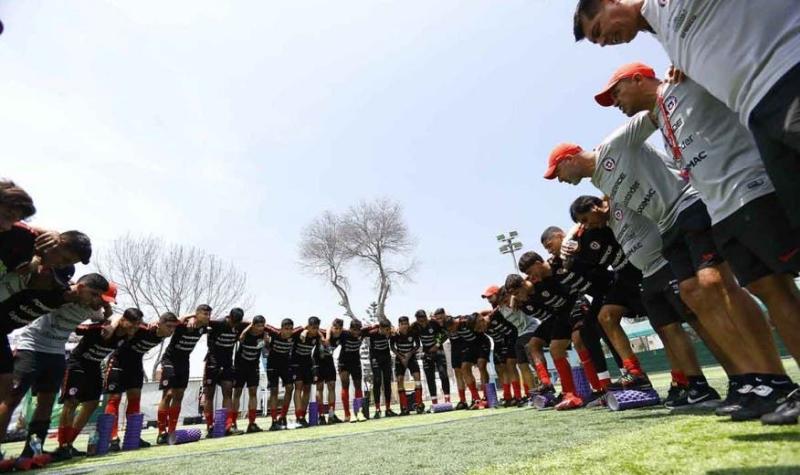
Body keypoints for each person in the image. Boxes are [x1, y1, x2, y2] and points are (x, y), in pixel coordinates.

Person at [543, 116, 795, 419]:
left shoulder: (613, 147)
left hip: (689, 214)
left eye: (558, 173)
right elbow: (603, 205)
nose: (559, 180)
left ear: (569, 159)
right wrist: (574, 233)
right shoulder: (601, 182)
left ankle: (758, 378)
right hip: (661, 249)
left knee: (717, 291)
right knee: (687, 308)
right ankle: (729, 382)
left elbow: (651, 116)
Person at [594, 61, 800, 422]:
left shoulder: (685, 79)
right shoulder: (664, 116)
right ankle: (765, 381)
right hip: (719, 206)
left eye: (617, 93)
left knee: (741, 284)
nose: (616, 102)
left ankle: (764, 379)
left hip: (749, 189)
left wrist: (687, 66)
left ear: (637, 79)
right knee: (762, 287)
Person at [572, 0, 800, 228]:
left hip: (786, 78)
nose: (603, 42)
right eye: (596, 41)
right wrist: (680, 59)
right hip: (756, 116)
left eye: (598, 30)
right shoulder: (663, 34)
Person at [570, 195, 721, 410]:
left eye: (586, 219)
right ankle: (635, 372)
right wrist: (572, 244)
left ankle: (684, 380)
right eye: (582, 223)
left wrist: (572, 232)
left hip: (654, 268)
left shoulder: (618, 206)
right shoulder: (591, 235)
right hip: (628, 277)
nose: (586, 225)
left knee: (672, 326)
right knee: (608, 316)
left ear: (595, 207)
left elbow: (609, 196)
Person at [0, 273, 112, 461]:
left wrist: (107, 317)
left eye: (99, 296)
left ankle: (32, 451)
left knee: (46, 402)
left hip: (56, 354)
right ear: (80, 288)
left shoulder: (93, 309)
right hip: (31, 348)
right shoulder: (61, 293)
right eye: (93, 294)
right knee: (12, 398)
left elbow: (106, 317)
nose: (96, 300)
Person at [52, 308, 141, 461]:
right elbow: (78, 328)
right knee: (71, 403)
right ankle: (62, 446)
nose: (135, 327)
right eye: (133, 323)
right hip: (77, 365)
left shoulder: (127, 335)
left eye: (138, 324)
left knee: (92, 404)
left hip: (94, 367)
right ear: (123, 320)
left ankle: (69, 443)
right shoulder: (101, 329)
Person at [104, 311, 179, 450]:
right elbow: (122, 318)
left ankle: (133, 436)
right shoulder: (145, 328)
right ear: (160, 323)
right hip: (118, 362)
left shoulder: (162, 334)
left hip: (135, 365)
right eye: (168, 326)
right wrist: (113, 325)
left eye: (173, 327)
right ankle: (112, 438)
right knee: (114, 399)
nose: (171, 330)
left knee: (135, 399)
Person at [156, 304, 212, 445]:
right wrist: (191, 316)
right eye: (205, 314)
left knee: (179, 394)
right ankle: (161, 432)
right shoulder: (183, 324)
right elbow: (177, 319)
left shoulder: (204, 328)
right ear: (197, 314)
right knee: (168, 394)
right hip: (169, 360)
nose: (208, 317)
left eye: (209, 314)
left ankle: (172, 430)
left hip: (184, 362)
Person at [202, 308, 247, 437]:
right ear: (229, 317)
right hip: (212, 362)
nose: (234, 325)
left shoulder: (240, 325)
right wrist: (192, 319)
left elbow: (254, 323)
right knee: (209, 395)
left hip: (227, 363)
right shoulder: (217, 323)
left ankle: (228, 426)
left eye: (237, 323)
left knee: (228, 392)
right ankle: (210, 426)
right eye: (233, 322)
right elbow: (202, 320)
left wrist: (245, 331)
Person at [480, 286, 522, 406]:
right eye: (487, 298)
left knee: (511, 365)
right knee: (499, 368)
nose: (488, 299)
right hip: (500, 341)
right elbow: (487, 312)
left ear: (498, 294)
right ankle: (507, 395)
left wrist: (489, 315)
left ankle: (518, 396)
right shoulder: (494, 309)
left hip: (514, 336)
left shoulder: (504, 303)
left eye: (490, 296)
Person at [335, 319, 378, 422]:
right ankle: (347, 414)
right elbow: (330, 329)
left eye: (358, 330)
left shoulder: (362, 332)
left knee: (358, 386)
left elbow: (375, 327)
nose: (356, 332)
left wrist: (378, 325)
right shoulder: (344, 334)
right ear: (350, 329)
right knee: (345, 385)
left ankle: (358, 412)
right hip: (344, 363)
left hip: (355, 363)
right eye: (354, 330)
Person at [264, 318, 301, 430]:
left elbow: (305, 327)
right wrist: (265, 339)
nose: (288, 331)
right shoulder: (274, 332)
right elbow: (262, 325)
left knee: (290, 388)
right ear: (281, 329)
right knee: (274, 391)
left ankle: (283, 416)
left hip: (285, 364)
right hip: (272, 365)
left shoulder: (295, 334)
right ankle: (274, 421)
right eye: (286, 329)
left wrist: (304, 332)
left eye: (290, 329)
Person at [233, 315, 267, 433]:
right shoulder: (245, 333)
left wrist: (267, 340)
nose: (260, 328)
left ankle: (252, 423)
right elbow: (241, 338)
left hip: (253, 367)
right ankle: (233, 423)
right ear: (253, 325)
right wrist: (249, 327)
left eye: (262, 326)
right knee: (237, 393)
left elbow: (267, 346)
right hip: (240, 366)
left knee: (253, 393)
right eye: (258, 326)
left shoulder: (264, 334)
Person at [411, 309, 451, 407]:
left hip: (438, 351)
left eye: (423, 318)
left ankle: (447, 400)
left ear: (426, 317)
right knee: (429, 377)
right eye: (419, 319)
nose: (422, 321)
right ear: (417, 319)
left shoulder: (434, 323)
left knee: (443, 374)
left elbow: (444, 334)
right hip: (426, 353)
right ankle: (434, 402)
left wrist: (437, 345)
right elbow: (413, 337)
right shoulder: (415, 326)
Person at [291, 317, 323, 427]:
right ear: (308, 326)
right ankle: (298, 416)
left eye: (317, 328)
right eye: (313, 328)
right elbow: (287, 333)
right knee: (298, 387)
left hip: (307, 364)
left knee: (307, 388)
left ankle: (303, 416)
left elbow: (325, 334)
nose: (315, 330)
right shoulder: (299, 332)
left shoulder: (317, 335)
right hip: (296, 363)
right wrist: (304, 331)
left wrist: (322, 336)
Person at [391, 316, 424, 415]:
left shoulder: (413, 332)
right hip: (400, 358)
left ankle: (419, 404)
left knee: (417, 377)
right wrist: (401, 357)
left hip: (411, 357)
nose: (405, 326)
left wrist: (409, 354)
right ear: (399, 325)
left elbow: (417, 345)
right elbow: (392, 347)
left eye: (406, 324)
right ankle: (404, 407)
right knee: (400, 379)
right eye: (402, 324)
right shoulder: (395, 334)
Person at [315, 319, 342, 424]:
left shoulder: (342, 335)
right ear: (332, 327)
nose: (337, 331)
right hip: (318, 361)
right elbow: (312, 329)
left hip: (329, 361)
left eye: (339, 329)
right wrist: (324, 336)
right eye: (336, 328)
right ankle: (321, 416)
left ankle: (331, 415)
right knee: (320, 387)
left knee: (332, 386)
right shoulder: (322, 332)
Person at [366, 320, 395, 418]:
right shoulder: (372, 333)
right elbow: (362, 332)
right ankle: (377, 409)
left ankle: (388, 409)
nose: (387, 332)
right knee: (377, 381)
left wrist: (392, 331)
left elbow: (395, 332)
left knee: (387, 382)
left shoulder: (390, 333)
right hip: (375, 359)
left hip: (386, 359)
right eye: (386, 330)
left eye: (388, 329)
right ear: (380, 328)